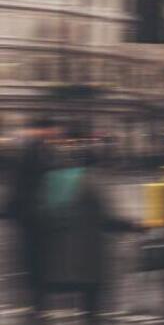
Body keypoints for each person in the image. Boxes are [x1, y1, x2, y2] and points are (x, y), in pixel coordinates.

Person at [36, 124, 144, 325]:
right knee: (91, 307)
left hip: (57, 257)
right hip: (87, 256)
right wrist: (132, 225)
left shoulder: (51, 179)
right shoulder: (91, 180)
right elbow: (106, 216)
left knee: (60, 302)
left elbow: (42, 213)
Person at [6, 117, 60, 317]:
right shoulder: (31, 152)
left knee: (37, 260)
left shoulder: (42, 151)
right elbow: (23, 185)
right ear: (41, 130)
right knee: (35, 259)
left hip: (34, 216)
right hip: (33, 216)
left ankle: (38, 302)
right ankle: (37, 303)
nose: (55, 134)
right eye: (52, 129)